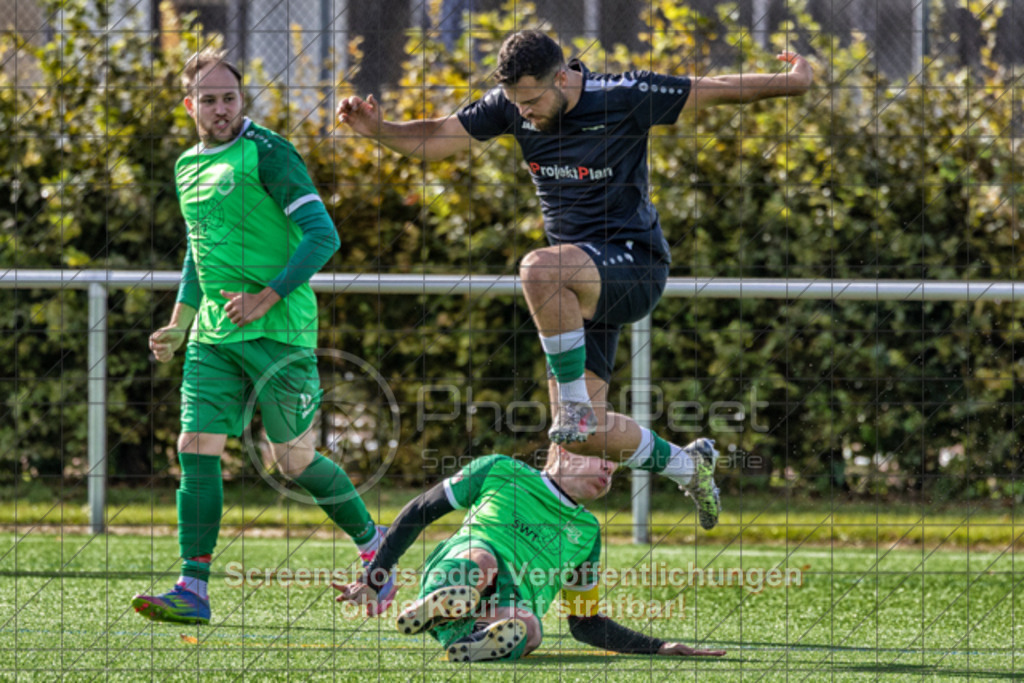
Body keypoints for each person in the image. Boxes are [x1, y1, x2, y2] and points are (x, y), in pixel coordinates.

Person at [336, 30, 813, 530]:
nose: (523, 114)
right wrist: (379, 129)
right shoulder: (511, 105)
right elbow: (437, 137)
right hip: (576, 287)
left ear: (561, 77)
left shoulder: (625, 96)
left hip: (635, 266)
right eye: (516, 104)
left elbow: (715, 88)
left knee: (538, 269)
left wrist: (794, 82)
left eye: (533, 100)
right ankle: (686, 466)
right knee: (576, 446)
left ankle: (577, 410)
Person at [130, 48, 396, 625]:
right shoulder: (186, 167)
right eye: (209, 100)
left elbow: (322, 237)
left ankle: (376, 544)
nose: (221, 109)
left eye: (229, 98)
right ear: (189, 105)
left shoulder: (269, 153)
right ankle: (192, 587)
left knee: (293, 463)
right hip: (213, 337)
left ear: (241, 99)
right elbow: (200, 256)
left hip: (281, 330)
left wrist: (265, 297)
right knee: (194, 447)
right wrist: (179, 325)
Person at [334, 446, 727, 662]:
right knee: (482, 562)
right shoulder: (502, 471)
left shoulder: (588, 532)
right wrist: (375, 577)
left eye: (616, 462)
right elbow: (420, 511)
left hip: (500, 608)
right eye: (600, 454)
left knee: (530, 627)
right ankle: (440, 601)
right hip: (465, 565)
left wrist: (658, 647)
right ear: (562, 448)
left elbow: (584, 623)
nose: (610, 465)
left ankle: (469, 639)